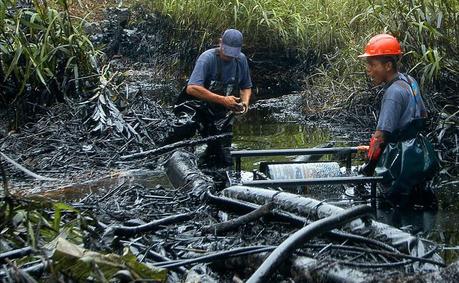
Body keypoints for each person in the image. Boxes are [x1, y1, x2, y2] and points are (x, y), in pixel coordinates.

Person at [358, 34, 439, 208]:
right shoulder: (410, 81)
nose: (368, 70)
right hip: (418, 153)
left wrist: (368, 167)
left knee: (392, 206)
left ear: (388, 65)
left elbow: (380, 137)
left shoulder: (393, 94)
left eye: (372, 65)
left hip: (400, 161)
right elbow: (422, 116)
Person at [167, 29, 252, 167]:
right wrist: (223, 100)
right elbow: (192, 88)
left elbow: (246, 87)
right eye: (226, 52)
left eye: (232, 54)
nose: (229, 56)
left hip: (219, 113)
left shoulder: (241, 60)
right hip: (194, 106)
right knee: (184, 127)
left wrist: (244, 103)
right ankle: (165, 157)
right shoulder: (207, 58)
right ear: (220, 43)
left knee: (223, 155)